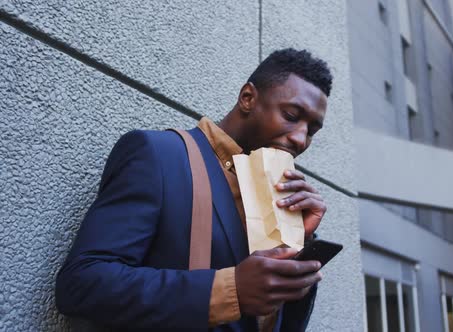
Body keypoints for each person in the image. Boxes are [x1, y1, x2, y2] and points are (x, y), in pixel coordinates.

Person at [55, 48, 333, 331]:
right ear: (248, 98)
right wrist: (228, 290)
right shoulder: (158, 155)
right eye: (290, 115)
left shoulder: (279, 199)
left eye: (311, 130)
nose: (300, 139)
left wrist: (298, 247)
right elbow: (81, 283)